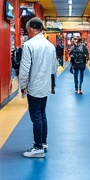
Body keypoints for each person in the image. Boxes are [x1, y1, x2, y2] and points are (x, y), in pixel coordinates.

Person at [19, 16, 57, 157]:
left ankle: (38, 147)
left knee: (36, 116)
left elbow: (24, 68)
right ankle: (43, 141)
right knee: (42, 113)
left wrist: (23, 85)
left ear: (32, 29)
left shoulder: (29, 45)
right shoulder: (50, 46)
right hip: (46, 85)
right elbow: (54, 68)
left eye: (28, 30)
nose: (27, 32)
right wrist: (52, 85)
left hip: (34, 86)